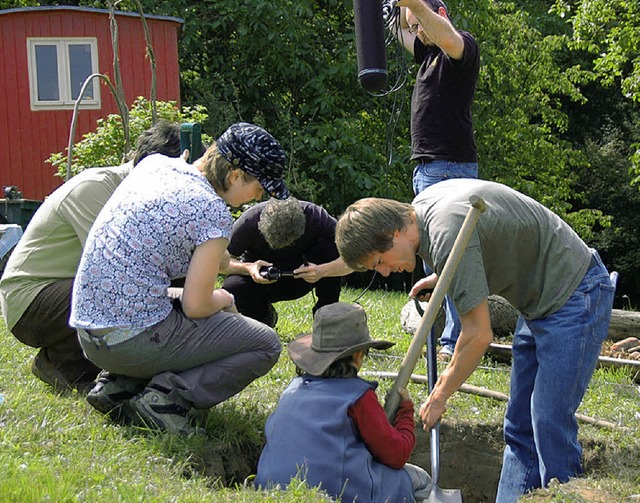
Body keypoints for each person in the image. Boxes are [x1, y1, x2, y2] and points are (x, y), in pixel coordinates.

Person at [334, 179, 615, 501]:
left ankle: (566, 495)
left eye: (379, 262)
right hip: (538, 301)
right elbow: (477, 244)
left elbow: (478, 335)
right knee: (519, 425)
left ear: (391, 234)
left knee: (549, 420)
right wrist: (445, 276)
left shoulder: (446, 234)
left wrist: (439, 395)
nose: (385, 273)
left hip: (575, 293)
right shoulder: (422, 212)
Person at [69, 122, 288, 435]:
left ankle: (118, 385)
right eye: (260, 186)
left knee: (161, 300)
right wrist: (225, 299)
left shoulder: (156, 166)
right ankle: (166, 400)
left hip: (89, 333)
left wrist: (237, 271)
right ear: (236, 175)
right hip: (129, 342)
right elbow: (197, 306)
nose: (259, 196)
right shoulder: (212, 211)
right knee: (265, 343)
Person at [0, 122, 183, 393]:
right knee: (119, 288)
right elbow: (117, 267)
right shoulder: (96, 188)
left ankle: (67, 364)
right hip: (31, 304)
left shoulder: (145, 195)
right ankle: (66, 364)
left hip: (64, 291)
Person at [255, 302, 431, 503]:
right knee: (420, 481)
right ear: (358, 355)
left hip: (269, 486)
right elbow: (396, 455)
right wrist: (405, 412)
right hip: (334, 490)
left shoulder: (293, 390)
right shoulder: (358, 397)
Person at [391, 0, 481, 360]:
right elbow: (398, 27)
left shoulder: (461, 48)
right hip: (427, 169)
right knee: (433, 261)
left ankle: (453, 342)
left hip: (450, 168)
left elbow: (441, 31)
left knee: (452, 258)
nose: (417, 33)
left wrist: (413, 5)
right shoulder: (427, 53)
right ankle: (446, 336)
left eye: (421, 25)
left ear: (439, 15)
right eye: (414, 29)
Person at [222, 197, 352, 327]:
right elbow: (218, 263)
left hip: (307, 276)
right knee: (232, 286)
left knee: (330, 251)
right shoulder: (248, 222)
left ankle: (326, 322)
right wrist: (248, 268)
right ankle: (263, 320)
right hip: (261, 280)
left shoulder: (318, 218)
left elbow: (352, 261)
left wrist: (322, 271)